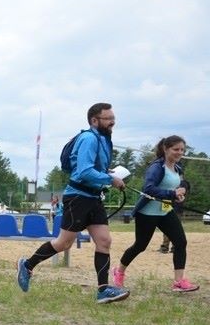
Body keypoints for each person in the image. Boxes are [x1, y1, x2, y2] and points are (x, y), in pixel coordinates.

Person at [16, 102, 129, 303]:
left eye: (113, 118)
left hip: (94, 197)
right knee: (64, 243)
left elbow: (91, 169)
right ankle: (27, 265)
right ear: (95, 120)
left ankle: (103, 290)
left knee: (104, 241)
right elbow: (84, 171)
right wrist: (111, 179)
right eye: (108, 118)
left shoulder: (102, 139)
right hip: (78, 198)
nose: (113, 122)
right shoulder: (89, 138)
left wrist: (108, 174)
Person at [113, 136, 199, 293]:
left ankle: (178, 282)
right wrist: (172, 193)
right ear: (166, 149)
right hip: (147, 213)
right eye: (176, 149)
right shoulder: (157, 167)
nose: (180, 152)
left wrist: (182, 191)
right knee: (140, 246)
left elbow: (181, 183)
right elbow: (149, 189)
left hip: (165, 211)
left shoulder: (178, 167)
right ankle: (119, 271)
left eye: (182, 150)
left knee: (180, 242)